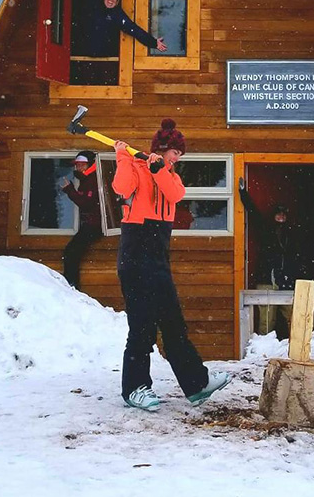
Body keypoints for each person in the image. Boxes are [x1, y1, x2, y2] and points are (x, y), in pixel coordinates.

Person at [112, 118, 232, 411]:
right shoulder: (137, 167)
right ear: (162, 148)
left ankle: (196, 384)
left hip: (157, 256)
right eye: (174, 151)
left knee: (174, 323)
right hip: (135, 252)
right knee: (141, 326)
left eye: (180, 153)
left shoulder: (170, 175)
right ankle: (135, 389)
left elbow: (175, 195)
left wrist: (159, 170)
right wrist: (122, 156)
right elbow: (121, 187)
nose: (178, 157)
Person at [238, 177, 314, 338]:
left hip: (287, 280)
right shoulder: (265, 229)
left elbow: (300, 255)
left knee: (293, 319)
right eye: (278, 214)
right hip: (267, 279)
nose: (281, 216)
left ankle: (296, 352)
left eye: (283, 214)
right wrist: (243, 193)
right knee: (266, 321)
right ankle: (263, 354)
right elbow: (252, 211)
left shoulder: (293, 234)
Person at [60, 150, 102, 290]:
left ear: (90, 165)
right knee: (71, 252)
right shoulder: (87, 179)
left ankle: (71, 286)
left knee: (70, 252)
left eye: (82, 165)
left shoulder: (94, 179)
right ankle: (71, 285)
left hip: (95, 225)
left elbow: (87, 203)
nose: (78, 168)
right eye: (77, 165)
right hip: (90, 224)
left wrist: (70, 190)